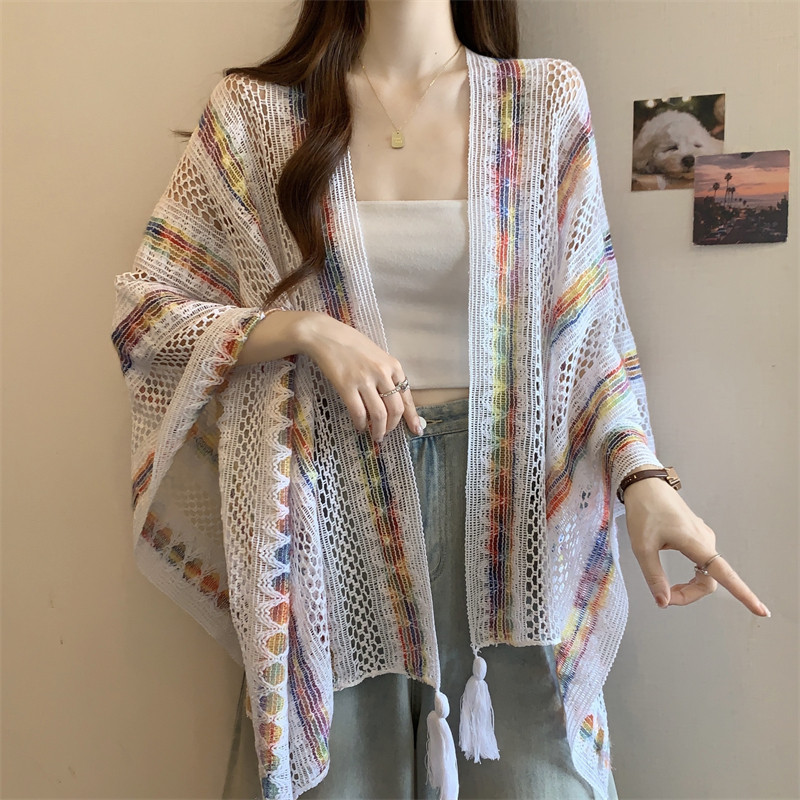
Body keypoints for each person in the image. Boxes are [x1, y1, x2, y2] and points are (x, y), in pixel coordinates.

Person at [111, 2, 770, 799]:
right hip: (326, 527)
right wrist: (305, 330)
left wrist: (643, 480)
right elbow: (148, 314)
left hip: (517, 520)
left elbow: (591, 334)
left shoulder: (543, 102)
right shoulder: (255, 115)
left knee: (542, 780)